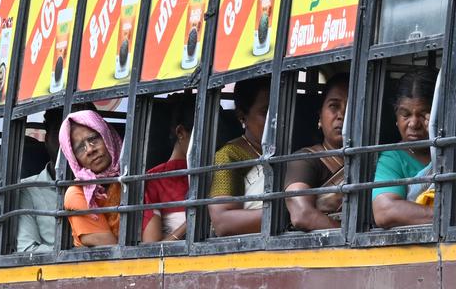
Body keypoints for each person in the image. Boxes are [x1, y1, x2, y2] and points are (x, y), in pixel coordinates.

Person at [371, 69, 437, 229]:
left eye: (423, 114)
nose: (413, 124)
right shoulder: (392, 158)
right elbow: (385, 210)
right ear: (396, 116)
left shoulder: (454, 151)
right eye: (405, 115)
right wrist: (444, 215)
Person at [284, 74, 348, 231]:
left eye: (351, 107)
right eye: (334, 106)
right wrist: (346, 233)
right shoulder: (305, 160)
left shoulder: (376, 159)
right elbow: (301, 214)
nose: (342, 115)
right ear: (320, 115)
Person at [209, 77, 270, 236]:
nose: (275, 119)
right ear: (242, 116)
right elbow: (223, 222)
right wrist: (286, 212)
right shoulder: (229, 156)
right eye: (266, 112)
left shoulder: (289, 150)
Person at [61, 110, 123, 247]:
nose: (89, 150)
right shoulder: (78, 193)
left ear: (107, 136)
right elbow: (114, 250)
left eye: (93, 139)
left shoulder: (129, 175)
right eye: (79, 148)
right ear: (74, 158)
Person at [142, 95, 194, 242]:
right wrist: (195, 218)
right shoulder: (153, 181)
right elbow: (152, 249)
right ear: (181, 133)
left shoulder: (217, 171)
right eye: (201, 135)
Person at [15, 108, 62, 252]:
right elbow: (27, 250)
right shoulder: (28, 189)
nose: (68, 142)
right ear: (47, 140)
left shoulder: (106, 185)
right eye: (61, 134)